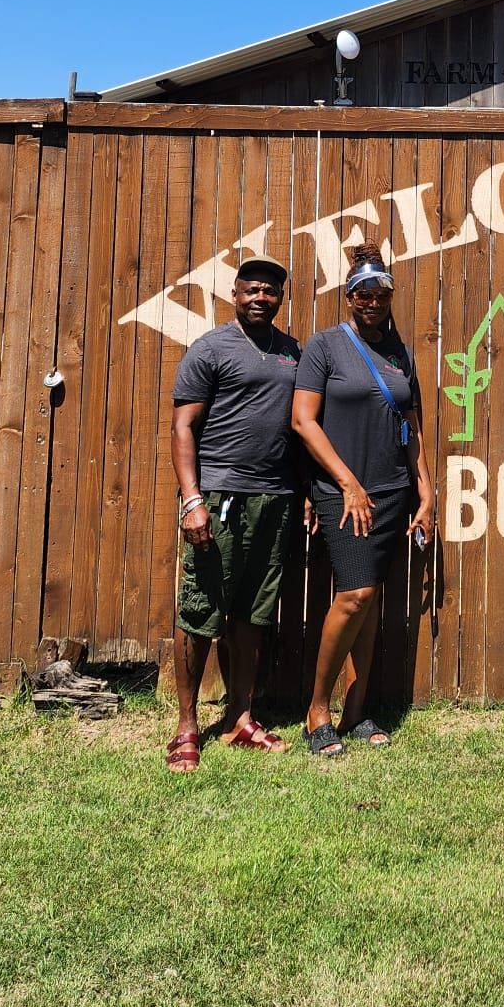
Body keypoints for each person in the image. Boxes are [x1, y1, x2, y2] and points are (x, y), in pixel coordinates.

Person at [292, 247, 435, 757]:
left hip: (393, 491)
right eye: (362, 293)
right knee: (353, 596)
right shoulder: (325, 346)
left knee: (369, 602)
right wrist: (348, 483)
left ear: (391, 297)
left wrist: (426, 487)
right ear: (349, 297)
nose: (372, 301)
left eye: (381, 293)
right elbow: (303, 421)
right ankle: (316, 711)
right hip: (344, 495)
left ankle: (356, 712)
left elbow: (411, 426)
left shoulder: (399, 353)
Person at [166, 253, 302, 773]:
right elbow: (183, 428)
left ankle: (239, 719)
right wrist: (192, 499)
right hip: (220, 496)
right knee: (201, 612)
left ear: (280, 299)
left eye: (270, 292)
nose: (261, 298)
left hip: (276, 498)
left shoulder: (292, 352)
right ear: (235, 294)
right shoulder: (210, 349)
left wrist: (304, 491)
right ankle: (186, 727)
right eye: (252, 290)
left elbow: (298, 427)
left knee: (253, 613)